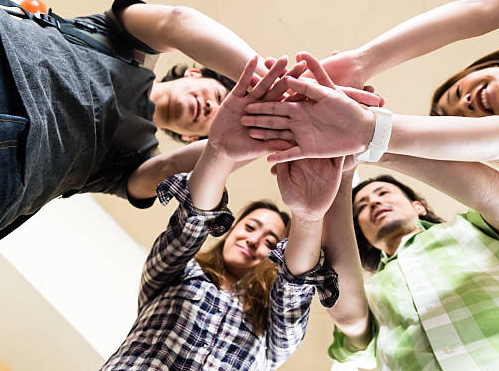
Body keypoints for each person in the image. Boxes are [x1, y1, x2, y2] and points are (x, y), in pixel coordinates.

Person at [0, 0, 275, 256]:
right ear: (193, 73)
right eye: (219, 97)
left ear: (191, 139)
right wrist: (272, 83)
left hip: (0, 172)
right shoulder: (121, 42)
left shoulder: (137, 160)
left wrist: (267, 135)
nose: (212, 107)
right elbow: (176, 22)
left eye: (218, 118)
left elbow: (175, 166)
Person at [101, 56, 343, 370]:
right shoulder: (174, 275)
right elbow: (192, 220)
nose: (255, 240)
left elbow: (296, 284)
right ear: (229, 229)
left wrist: (308, 215)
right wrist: (219, 150)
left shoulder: (272, 336)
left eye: (271, 240)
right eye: (251, 226)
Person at [244, 0, 499, 182]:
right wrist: (368, 130)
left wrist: (361, 63)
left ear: (477, 69)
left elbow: (475, 11)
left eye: (456, 95)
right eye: (467, 118)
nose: (468, 101)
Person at [322, 153, 499, 371]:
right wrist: (340, 176)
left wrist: (373, 145)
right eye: (361, 208)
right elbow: (353, 335)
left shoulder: (476, 229)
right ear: (365, 240)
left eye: (382, 192)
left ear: (418, 207)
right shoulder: (367, 294)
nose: (374, 202)